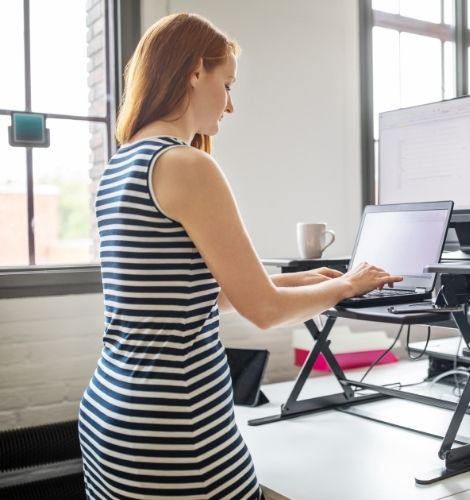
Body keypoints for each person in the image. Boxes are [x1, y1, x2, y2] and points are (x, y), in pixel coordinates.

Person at [77, 13, 401, 499]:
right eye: (226, 84)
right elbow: (263, 311)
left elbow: (201, 298)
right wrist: (348, 287)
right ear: (193, 71)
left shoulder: (121, 165)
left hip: (113, 417)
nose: (230, 105)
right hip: (177, 426)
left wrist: (307, 279)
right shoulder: (185, 164)